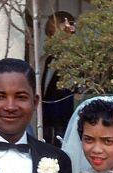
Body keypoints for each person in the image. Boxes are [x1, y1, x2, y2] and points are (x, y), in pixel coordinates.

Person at [41, 11, 76, 145]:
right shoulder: (50, 59)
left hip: (66, 124)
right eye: (49, 35)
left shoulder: (76, 61)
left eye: (53, 34)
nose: (50, 39)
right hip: (48, 124)